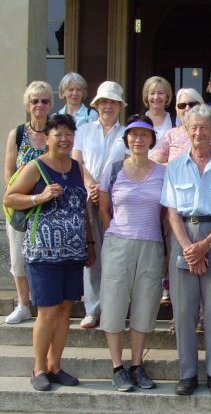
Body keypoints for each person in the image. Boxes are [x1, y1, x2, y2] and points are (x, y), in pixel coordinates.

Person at [4, 114, 95, 391]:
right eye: (58, 134)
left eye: (69, 133)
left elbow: (83, 209)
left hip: (74, 251)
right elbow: (9, 197)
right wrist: (39, 197)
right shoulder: (36, 166)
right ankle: (39, 367)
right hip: (43, 252)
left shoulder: (77, 167)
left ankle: (56, 366)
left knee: (66, 309)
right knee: (47, 311)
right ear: (47, 138)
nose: (64, 138)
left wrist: (90, 244)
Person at [161, 104, 211, 397]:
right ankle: (188, 374)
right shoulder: (175, 167)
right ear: (185, 130)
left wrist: (205, 246)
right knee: (184, 310)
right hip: (183, 237)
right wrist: (188, 249)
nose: (198, 132)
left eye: (204, 127)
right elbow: (171, 212)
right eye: (193, 127)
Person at [98, 115, 166, 392]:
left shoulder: (163, 172)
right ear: (127, 138)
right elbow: (103, 208)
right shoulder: (113, 168)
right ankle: (117, 367)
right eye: (133, 134)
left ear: (152, 139)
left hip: (151, 244)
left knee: (145, 305)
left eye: (144, 134)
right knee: (114, 304)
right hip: (118, 244)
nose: (138, 139)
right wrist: (114, 231)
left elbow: (165, 212)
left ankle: (137, 365)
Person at [72, 81, 128, 329]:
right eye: (103, 102)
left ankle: (114, 309)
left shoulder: (126, 133)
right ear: (97, 105)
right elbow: (77, 160)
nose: (108, 106)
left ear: (119, 106)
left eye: (113, 102)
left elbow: (128, 166)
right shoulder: (84, 130)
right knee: (92, 254)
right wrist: (92, 184)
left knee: (115, 256)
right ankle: (92, 309)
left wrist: (105, 191)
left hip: (115, 201)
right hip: (88, 197)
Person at [3, 81, 52, 324]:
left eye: (44, 100)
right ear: (27, 104)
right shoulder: (18, 134)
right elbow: (9, 171)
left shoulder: (55, 132)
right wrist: (19, 197)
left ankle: (44, 302)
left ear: (51, 104)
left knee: (45, 255)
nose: (40, 105)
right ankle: (23, 303)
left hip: (50, 206)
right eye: (35, 101)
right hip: (22, 206)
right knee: (18, 256)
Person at [151, 88, 211, 167]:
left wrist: (208, 167)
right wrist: (175, 167)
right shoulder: (171, 134)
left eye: (192, 104)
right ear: (177, 109)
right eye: (182, 106)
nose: (187, 109)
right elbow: (154, 163)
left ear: (202, 106)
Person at [142, 76, 174, 156]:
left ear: (167, 96)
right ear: (147, 96)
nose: (156, 97)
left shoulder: (176, 121)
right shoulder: (137, 121)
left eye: (160, 93)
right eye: (152, 93)